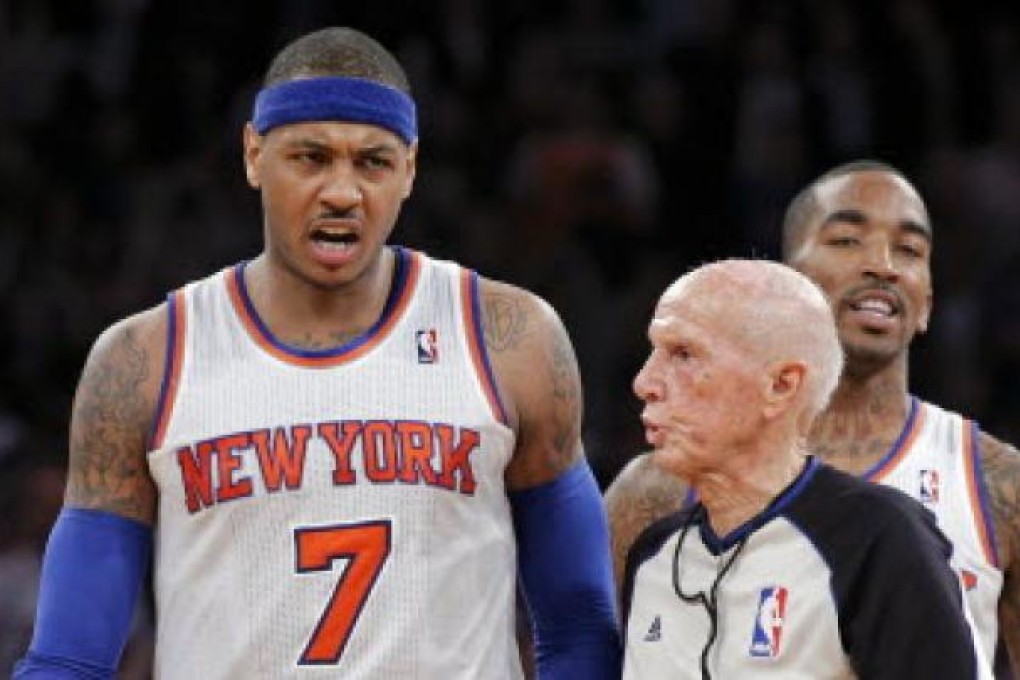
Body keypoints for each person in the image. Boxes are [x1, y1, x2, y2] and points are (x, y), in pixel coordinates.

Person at [15, 27, 621, 679]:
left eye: (373, 162)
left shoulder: (509, 338)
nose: (341, 191)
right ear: (253, 154)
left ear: (410, 169)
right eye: (310, 157)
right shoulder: (145, 359)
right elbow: (70, 659)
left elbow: (580, 625)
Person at [606, 160, 1020, 676]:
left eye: (909, 250)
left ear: (929, 301)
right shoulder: (654, 491)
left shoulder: (996, 480)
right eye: (847, 240)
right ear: (787, 280)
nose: (883, 265)